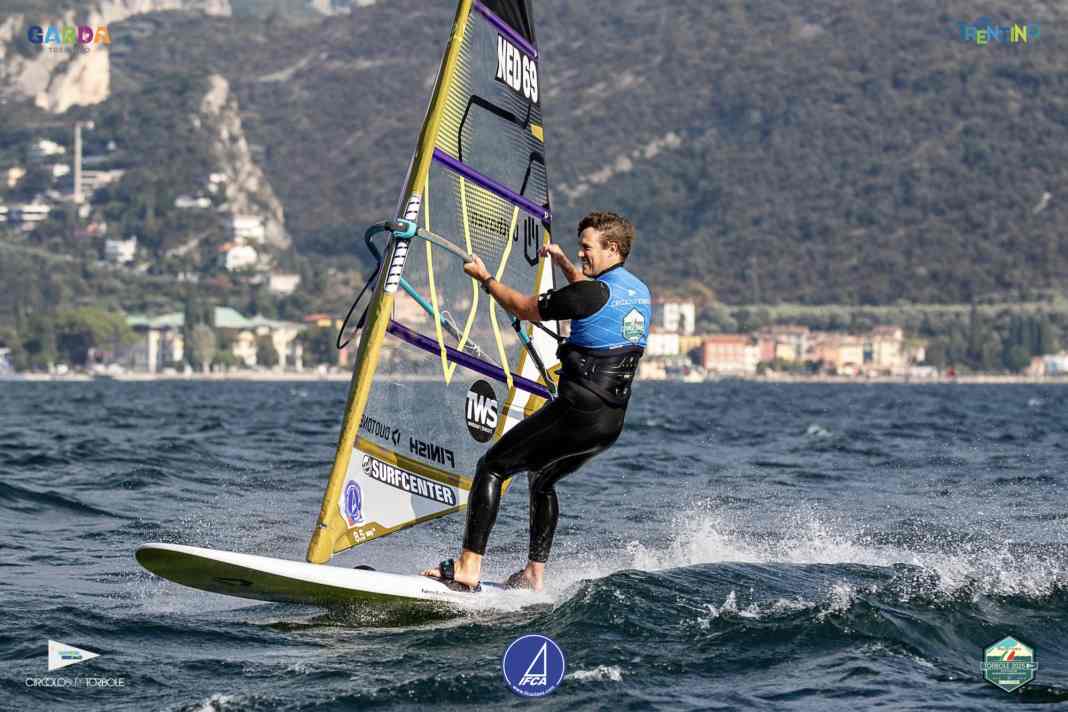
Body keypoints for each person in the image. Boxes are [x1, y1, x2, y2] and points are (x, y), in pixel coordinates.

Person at [421, 211, 652, 592]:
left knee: (492, 467)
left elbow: (526, 308)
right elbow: (589, 298)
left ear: (612, 248)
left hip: (577, 411)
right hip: (610, 422)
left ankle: (467, 567)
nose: (581, 254)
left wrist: (487, 280)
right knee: (542, 479)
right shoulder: (636, 291)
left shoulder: (589, 293)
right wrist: (561, 262)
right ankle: (533, 573)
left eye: (587, 248)